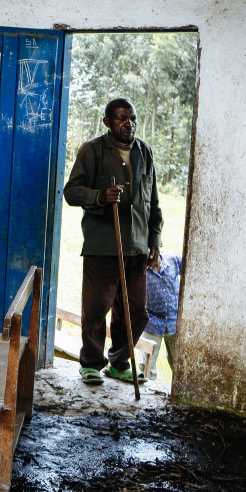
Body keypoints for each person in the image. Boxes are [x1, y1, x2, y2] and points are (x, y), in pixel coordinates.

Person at [63, 98, 162, 385]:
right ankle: (92, 364)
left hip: (137, 247)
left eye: (132, 118)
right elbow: (71, 192)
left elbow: (152, 201)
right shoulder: (92, 150)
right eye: (121, 118)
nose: (128, 123)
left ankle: (119, 362)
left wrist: (154, 239)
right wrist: (98, 197)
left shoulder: (144, 152)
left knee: (135, 311)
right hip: (103, 245)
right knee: (96, 308)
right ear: (107, 122)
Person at [140, 251, 182, 380]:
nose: (149, 257)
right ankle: (146, 392)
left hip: (174, 321)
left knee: (179, 363)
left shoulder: (173, 261)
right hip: (151, 322)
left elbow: (193, 266)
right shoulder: (141, 269)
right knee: (146, 365)